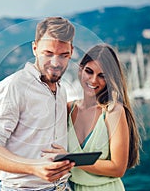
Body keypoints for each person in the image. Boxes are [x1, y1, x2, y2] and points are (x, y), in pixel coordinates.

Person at [0, 16, 76, 190]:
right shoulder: (12, 87)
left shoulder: (61, 89)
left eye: (64, 55)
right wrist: (34, 167)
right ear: (34, 48)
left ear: (72, 51)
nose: (55, 63)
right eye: (48, 53)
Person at [43, 44, 142, 190]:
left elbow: (118, 168)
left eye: (102, 76)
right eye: (89, 72)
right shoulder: (67, 109)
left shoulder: (113, 111)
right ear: (80, 70)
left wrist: (70, 158)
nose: (94, 80)